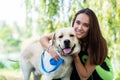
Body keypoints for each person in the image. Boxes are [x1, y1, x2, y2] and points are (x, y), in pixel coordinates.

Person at [40, 8, 114, 80]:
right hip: (80, 70)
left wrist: (75, 55)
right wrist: (51, 50)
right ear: (73, 22)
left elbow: (84, 76)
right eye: (78, 22)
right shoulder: (69, 33)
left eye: (85, 25)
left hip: (100, 74)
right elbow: (43, 39)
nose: (79, 28)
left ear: (91, 27)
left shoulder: (96, 43)